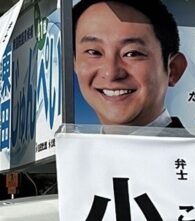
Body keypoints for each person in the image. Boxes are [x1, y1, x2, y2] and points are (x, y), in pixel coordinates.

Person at [72, 0, 186, 129]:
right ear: (74, 62)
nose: (111, 73)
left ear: (173, 69)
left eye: (132, 53)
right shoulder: (62, 148)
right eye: (94, 52)